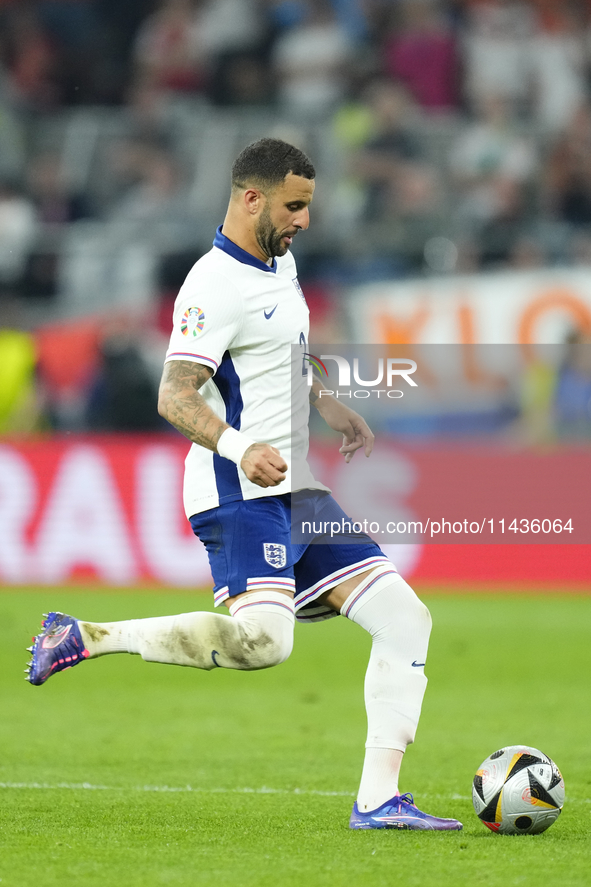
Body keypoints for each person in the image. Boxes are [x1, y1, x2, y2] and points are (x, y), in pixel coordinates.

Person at [25, 138, 462, 832]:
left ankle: (378, 799)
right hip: (238, 489)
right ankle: (83, 634)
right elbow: (175, 394)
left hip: (299, 488)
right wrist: (239, 444)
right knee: (265, 642)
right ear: (250, 198)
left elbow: (281, 353)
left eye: (309, 205)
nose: (305, 220)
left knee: (407, 617)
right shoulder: (211, 286)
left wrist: (325, 401)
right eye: (294, 205)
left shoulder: (279, 263)